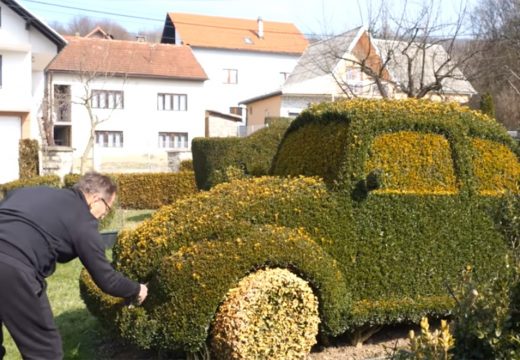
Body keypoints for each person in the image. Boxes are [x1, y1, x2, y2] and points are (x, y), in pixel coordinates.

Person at [0, 172, 148, 359]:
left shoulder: (31, 192)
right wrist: (136, 289)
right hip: (13, 270)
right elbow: (107, 279)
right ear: (95, 199)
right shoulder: (83, 222)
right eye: (107, 208)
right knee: (45, 352)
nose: (104, 216)